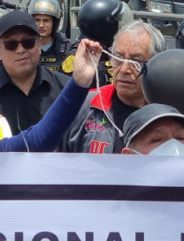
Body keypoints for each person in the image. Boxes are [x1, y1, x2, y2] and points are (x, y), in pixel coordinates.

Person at [59, 20, 167, 154]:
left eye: (136, 61)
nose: (124, 69)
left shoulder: (175, 113)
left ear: (156, 63)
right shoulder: (83, 106)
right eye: (118, 58)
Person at [0, 10, 70, 134]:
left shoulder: (65, 90)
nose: (20, 50)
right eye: (11, 44)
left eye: (28, 43)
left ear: (39, 46)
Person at [60, 0, 128, 83]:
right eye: (117, 24)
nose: (119, 28)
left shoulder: (105, 53)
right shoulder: (77, 58)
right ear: (104, 27)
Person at [27, 0, 70, 73]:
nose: (41, 25)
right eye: (37, 20)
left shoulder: (67, 48)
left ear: (54, 23)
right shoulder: (22, 46)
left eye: (46, 21)